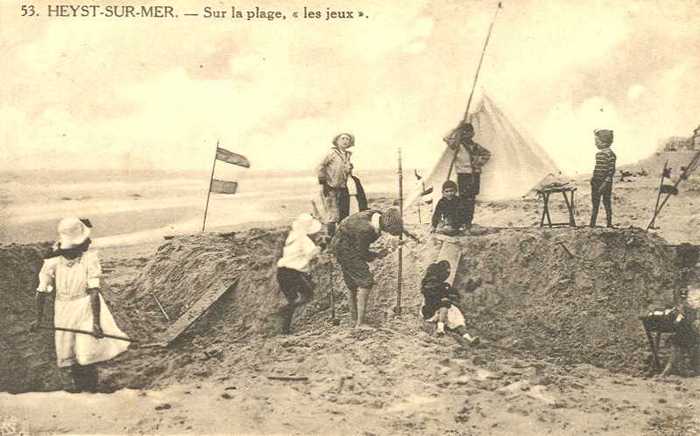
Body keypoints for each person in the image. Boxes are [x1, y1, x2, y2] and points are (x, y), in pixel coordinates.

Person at [30, 217, 129, 393]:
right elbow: (42, 292)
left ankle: (92, 388)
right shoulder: (52, 264)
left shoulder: (89, 260)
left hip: (86, 307)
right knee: (67, 351)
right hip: (63, 310)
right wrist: (37, 319)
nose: (89, 242)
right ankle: (75, 390)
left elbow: (93, 292)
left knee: (86, 349)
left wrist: (96, 322)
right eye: (85, 240)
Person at [331, 208, 403, 328]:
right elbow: (362, 254)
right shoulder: (366, 230)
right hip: (345, 249)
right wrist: (377, 255)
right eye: (390, 230)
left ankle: (354, 318)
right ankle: (360, 323)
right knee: (366, 282)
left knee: (352, 284)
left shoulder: (377, 214)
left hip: (342, 242)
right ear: (387, 226)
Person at [276, 213, 324, 333]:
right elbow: (312, 254)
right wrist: (321, 246)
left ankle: (285, 327)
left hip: (282, 271)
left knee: (293, 297)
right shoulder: (303, 239)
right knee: (307, 294)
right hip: (293, 273)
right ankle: (285, 313)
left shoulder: (292, 236)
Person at [443, 122, 491, 229]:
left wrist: (478, 161)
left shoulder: (475, 146)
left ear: (472, 133)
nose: (468, 135)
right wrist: (456, 128)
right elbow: (446, 138)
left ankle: (468, 222)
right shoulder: (457, 145)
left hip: (475, 175)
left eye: (469, 132)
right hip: (463, 175)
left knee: (471, 199)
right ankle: (462, 222)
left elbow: (487, 154)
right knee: (463, 199)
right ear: (462, 133)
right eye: (465, 132)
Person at [420, 260, 479, 344]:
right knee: (445, 305)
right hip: (431, 311)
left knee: (457, 318)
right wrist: (443, 300)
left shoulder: (444, 286)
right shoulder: (429, 286)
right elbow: (431, 299)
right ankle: (440, 328)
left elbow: (455, 294)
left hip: (444, 310)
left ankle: (468, 338)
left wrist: (450, 297)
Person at [317, 133, 355, 236]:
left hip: (343, 188)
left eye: (348, 139)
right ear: (337, 140)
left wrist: (349, 169)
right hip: (330, 188)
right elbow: (320, 166)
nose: (345, 141)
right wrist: (324, 183)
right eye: (343, 138)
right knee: (333, 216)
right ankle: (331, 240)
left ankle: (341, 240)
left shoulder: (347, 155)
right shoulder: (331, 153)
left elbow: (345, 171)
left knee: (344, 216)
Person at [590, 129, 616, 228]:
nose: (595, 143)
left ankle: (609, 223)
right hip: (596, 181)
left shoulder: (610, 155)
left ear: (604, 142)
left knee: (606, 202)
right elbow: (597, 168)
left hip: (605, 182)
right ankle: (592, 224)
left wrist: (605, 183)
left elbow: (611, 171)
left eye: (597, 141)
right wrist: (593, 179)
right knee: (595, 204)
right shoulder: (599, 154)